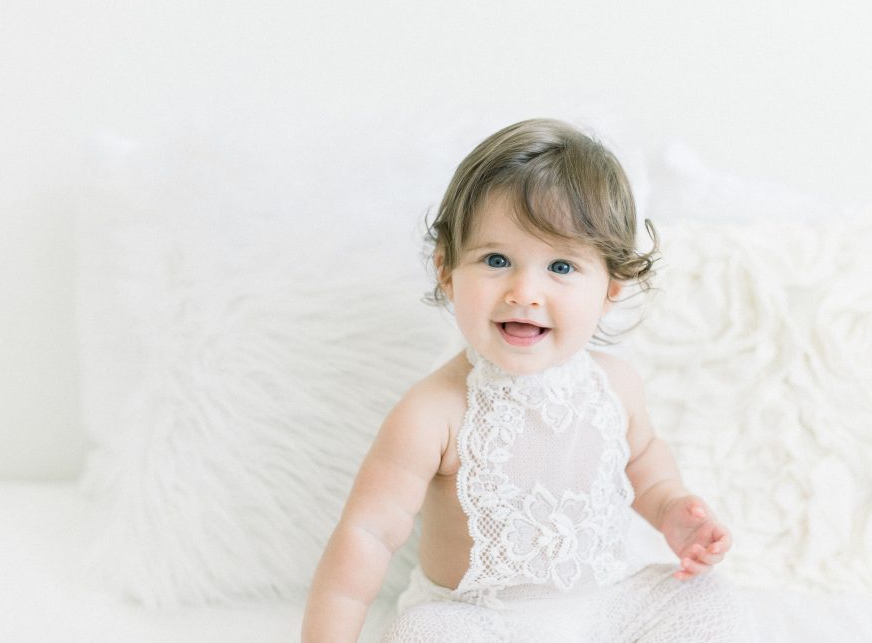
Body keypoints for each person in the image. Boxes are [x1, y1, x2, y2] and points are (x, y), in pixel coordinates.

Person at [302, 119, 752, 641]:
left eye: (561, 267)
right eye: (497, 260)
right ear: (446, 270)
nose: (525, 291)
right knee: (422, 634)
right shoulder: (434, 412)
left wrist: (674, 512)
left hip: (603, 606)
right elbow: (367, 535)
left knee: (707, 601)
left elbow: (645, 470)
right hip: (481, 621)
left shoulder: (616, 386)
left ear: (611, 286)